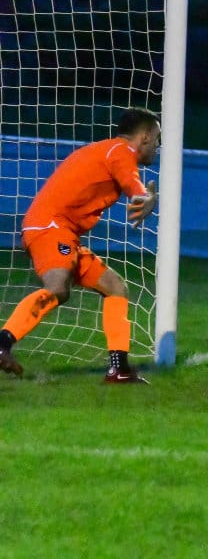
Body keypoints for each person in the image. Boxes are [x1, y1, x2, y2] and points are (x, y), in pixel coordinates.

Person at [0, 107, 160, 383]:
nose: (157, 146)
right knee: (57, 287)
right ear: (144, 136)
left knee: (115, 287)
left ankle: (119, 369)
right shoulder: (120, 151)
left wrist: (143, 197)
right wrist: (146, 197)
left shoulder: (107, 151)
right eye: (157, 139)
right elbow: (133, 185)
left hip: (62, 232)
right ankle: (2, 344)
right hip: (50, 226)